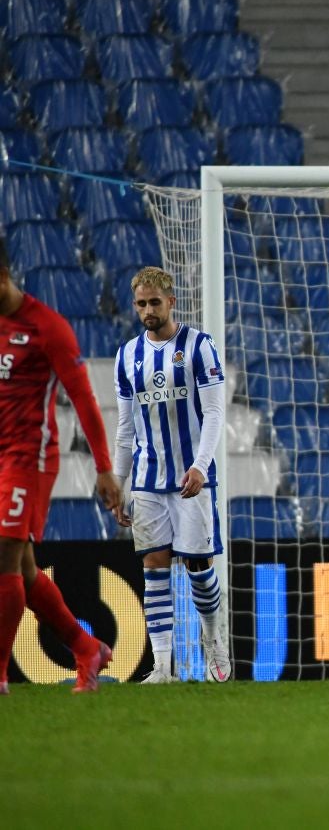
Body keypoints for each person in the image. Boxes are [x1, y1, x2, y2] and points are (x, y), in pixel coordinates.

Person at [0, 239, 121, 695]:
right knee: (23, 569)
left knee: (4, 556)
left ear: (4, 277)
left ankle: (0, 676)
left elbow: (85, 400)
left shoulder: (47, 327)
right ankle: (85, 646)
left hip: (28, 457)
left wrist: (104, 468)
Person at [111, 267, 231, 683]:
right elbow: (125, 428)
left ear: (171, 301)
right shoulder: (127, 356)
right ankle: (163, 666)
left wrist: (200, 464)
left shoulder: (199, 346)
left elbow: (215, 412)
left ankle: (214, 638)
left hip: (191, 478)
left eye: (154, 303)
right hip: (147, 479)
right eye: (141, 304)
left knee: (199, 566)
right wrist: (118, 481)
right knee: (154, 567)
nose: (147, 310)